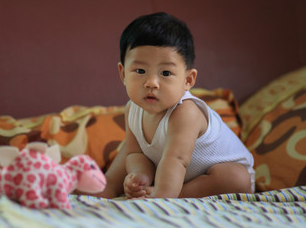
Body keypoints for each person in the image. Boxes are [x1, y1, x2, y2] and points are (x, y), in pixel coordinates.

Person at [98, 12, 255, 199]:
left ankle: (171, 195)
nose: (151, 83)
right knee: (128, 150)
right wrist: (140, 176)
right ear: (123, 74)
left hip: (215, 176)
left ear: (188, 80)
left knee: (236, 178)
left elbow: (176, 160)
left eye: (165, 73)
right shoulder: (132, 109)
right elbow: (135, 153)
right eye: (140, 71)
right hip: (169, 174)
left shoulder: (185, 112)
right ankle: (107, 187)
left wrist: (161, 196)